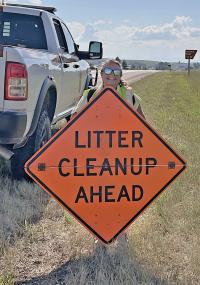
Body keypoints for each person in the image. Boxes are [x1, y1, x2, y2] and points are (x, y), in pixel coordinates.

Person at [72, 59, 145, 118]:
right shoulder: (90, 94)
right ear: (101, 74)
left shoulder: (129, 94)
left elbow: (143, 123)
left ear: (120, 76)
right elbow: (74, 120)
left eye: (117, 72)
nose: (112, 74)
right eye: (107, 70)